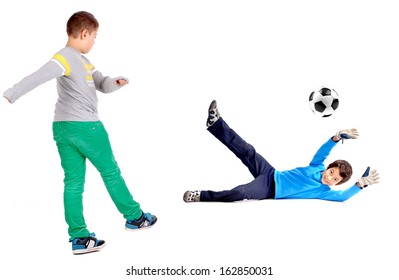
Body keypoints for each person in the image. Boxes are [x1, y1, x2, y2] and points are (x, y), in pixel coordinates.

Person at [3, 11, 157, 254]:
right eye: (94, 36)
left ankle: (79, 238)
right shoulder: (63, 58)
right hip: (86, 127)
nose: (94, 41)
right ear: (84, 33)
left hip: (63, 128)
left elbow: (101, 83)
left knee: (73, 182)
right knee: (110, 172)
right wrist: (12, 93)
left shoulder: (84, 62)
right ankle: (136, 217)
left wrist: (115, 82)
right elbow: (37, 77)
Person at [183, 100, 379, 203]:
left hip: (269, 189)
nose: (330, 178)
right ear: (328, 168)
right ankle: (216, 123)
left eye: (335, 180)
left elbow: (343, 197)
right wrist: (336, 137)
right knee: (247, 150)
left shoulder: (323, 191)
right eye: (331, 173)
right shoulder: (317, 166)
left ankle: (200, 196)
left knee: (240, 192)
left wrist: (360, 185)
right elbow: (323, 152)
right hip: (270, 173)